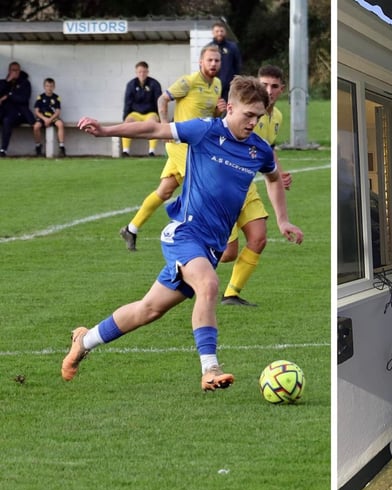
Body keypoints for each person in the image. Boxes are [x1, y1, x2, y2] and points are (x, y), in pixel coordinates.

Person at [65, 75, 304, 391]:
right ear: (230, 108)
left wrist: (283, 220)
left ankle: (85, 340)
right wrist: (106, 131)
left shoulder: (258, 150)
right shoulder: (205, 130)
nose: (253, 122)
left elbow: (274, 178)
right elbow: (154, 129)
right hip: (184, 234)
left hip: (211, 247)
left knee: (148, 310)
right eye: (248, 115)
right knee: (208, 285)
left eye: (258, 117)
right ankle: (210, 369)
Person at [119, 45, 225, 251]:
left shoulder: (218, 85)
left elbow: (210, 118)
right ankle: (198, 234)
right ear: (200, 62)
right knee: (204, 185)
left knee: (165, 191)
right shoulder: (189, 81)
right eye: (209, 60)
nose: (213, 64)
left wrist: (219, 112)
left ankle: (131, 229)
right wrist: (165, 126)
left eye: (217, 61)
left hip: (198, 146)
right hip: (180, 144)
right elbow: (163, 98)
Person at [219, 64, 292, 306]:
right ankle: (186, 264)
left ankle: (231, 293)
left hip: (247, 186)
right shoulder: (242, 113)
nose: (268, 90)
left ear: (281, 89)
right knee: (228, 253)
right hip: (224, 186)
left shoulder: (277, 117)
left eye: (273, 86)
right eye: (264, 85)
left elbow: (267, 150)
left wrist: (278, 173)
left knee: (259, 238)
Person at [121, 61, 162, 157]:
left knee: (153, 124)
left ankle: (151, 151)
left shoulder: (154, 84)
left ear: (147, 72)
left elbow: (159, 101)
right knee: (127, 123)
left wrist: (159, 117)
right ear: (136, 72)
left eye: (144, 71)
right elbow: (127, 102)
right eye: (139, 72)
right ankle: (125, 151)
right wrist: (125, 117)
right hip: (136, 113)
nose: (142, 74)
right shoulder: (131, 84)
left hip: (150, 113)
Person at [0, 61, 35, 157]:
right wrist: (7, 82)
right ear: (9, 71)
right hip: (4, 111)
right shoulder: (3, 82)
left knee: (7, 121)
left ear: (20, 71)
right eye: (12, 70)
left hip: (18, 113)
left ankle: (3, 150)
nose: (14, 72)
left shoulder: (25, 83)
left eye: (16, 70)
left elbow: (24, 99)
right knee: (4, 118)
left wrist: (9, 95)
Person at [32, 77, 66, 157]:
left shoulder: (56, 97)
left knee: (60, 124)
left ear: (54, 87)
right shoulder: (40, 97)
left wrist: (50, 120)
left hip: (52, 117)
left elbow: (58, 112)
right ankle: (38, 146)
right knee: (36, 126)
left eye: (51, 86)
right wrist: (45, 119)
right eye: (47, 86)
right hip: (43, 117)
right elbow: (36, 111)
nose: (49, 88)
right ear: (44, 87)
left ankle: (62, 147)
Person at [210, 20, 242, 102]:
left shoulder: (233, 47)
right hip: (212, 87)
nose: (219, 33)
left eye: (221, 31)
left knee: (228, 110)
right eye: (217, 31)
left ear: (225, 32)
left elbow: (238, 65)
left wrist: (235, 81)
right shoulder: (208, 48)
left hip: (229, 87)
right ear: (212, 33)